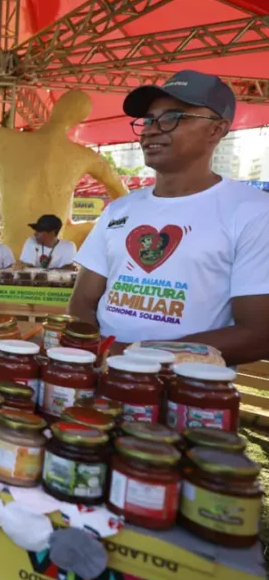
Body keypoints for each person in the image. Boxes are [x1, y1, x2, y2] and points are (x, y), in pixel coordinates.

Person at [69, 70, 269, 364]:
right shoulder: (119, 210)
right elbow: (81, 303)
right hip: (102, 383)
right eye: (149, 120)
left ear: (217, 130)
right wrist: (96, 354)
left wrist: (132, 356)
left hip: (186, 399)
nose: (151, 130)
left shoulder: (253, 211)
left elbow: (258, 334)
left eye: (173, 117)